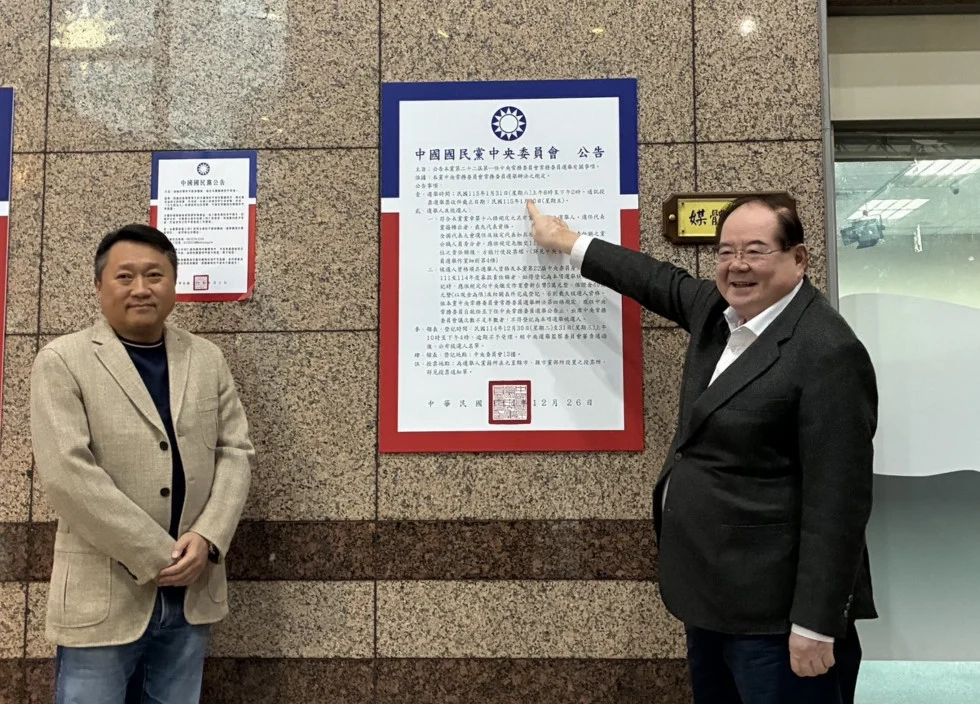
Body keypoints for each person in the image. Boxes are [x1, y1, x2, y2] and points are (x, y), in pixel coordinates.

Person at [526, 196, 877, 704]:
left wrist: (817, 624)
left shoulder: (827, 351)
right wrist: (566, 240)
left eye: (755, 251)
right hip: (711, 600)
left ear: (798, 259)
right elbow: (656, 281)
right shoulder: (719, 312)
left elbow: (839, 501)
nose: (737, 265)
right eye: (726, 251)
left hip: (777, 619)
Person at [30, 224, 255, 704]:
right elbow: (68, 475)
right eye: (124, 276)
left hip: (192, 595)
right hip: (102, 596)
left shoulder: (206, 358)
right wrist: (160, 555)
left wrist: (209, 535)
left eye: (154, 275)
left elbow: (235, 452)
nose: (140, 288)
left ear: (173, 283)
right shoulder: (62, 360)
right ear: (99, 285)